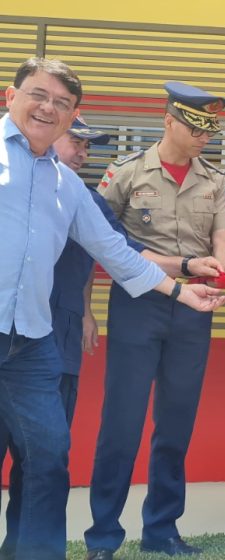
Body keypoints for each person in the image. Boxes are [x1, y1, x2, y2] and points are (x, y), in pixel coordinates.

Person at [0, 57, 225, 560]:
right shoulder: (116, 173)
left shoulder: (65, 185)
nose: (49, 109)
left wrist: (180, 288)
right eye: (39, 95)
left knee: (48, 460)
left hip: (32, 340)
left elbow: (117, 250)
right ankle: (92, 538)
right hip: (51, 326)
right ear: (9, 95)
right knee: (84, 441)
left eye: (63, 103)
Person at [84, 82, 225, 560]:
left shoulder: (214, 180)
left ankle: (161, 530)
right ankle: (102, 537)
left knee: (175, 424)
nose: (204, 138)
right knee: (122, 423)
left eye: (209, 130)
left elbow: (224, 235)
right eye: (196, 128)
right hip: (137, 306)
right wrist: (90, 309)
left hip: (194, 307)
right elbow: (97, 242)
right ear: (170, 121)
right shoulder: (127, 173)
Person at [0, 116, 146, 559]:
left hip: (53, 347)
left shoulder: (81, 196)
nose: (84, 152)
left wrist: (86, 311)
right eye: (76, 141)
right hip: (13, 334)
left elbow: (119, 251)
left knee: (43, 463)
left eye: (88, 146)